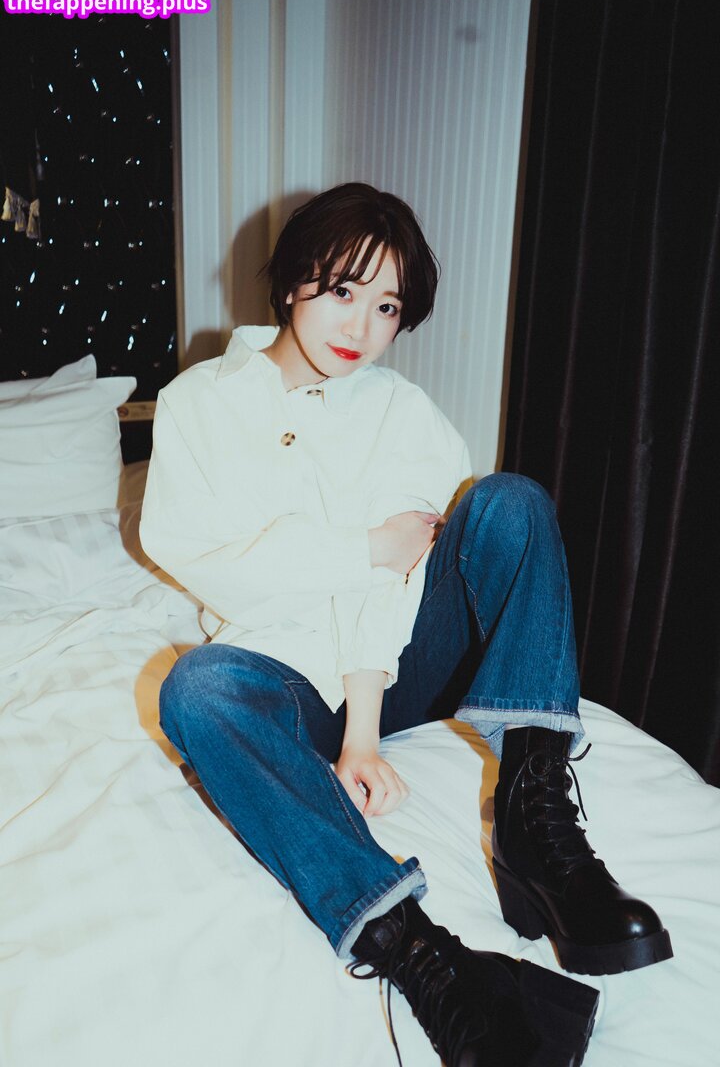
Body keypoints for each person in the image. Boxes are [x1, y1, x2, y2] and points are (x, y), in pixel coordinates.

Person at [140, 182, 672, 1067]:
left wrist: (364, 732)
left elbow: (399, 579)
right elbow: (212, 560)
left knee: (509, 503)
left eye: (387, 306)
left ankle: (536, 819)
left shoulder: (402, 415)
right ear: (293, 282)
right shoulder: (201, 402)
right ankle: (420, 953)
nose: (361, 326)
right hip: (281, 677)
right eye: (343, 290)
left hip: (396, 666)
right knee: (197, 689)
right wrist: (361, 549)